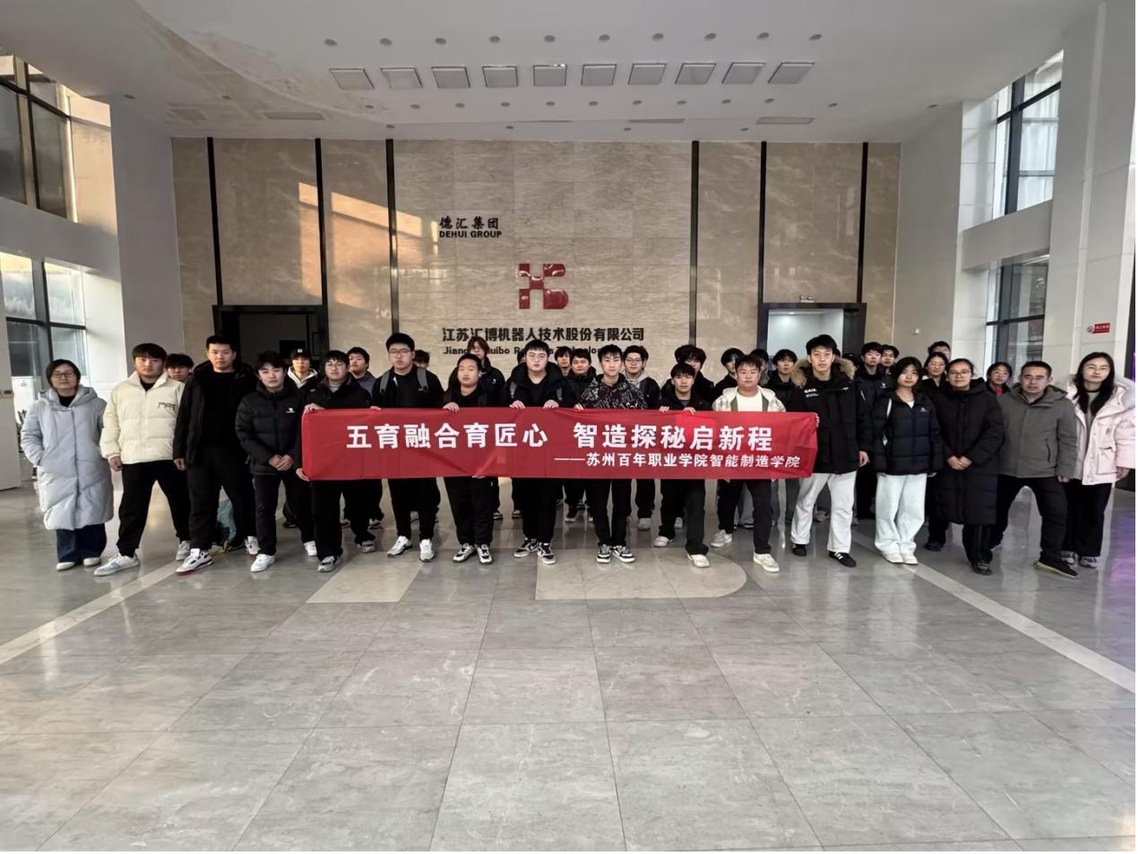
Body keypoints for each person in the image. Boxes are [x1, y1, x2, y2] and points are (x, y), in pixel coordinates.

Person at [96, 343, 191, 576]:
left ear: (163, 364)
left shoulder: (177, 389)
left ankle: (187, 541)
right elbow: (111, 423)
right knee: (131, 507)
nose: (148, 364)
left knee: (182, 501)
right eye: (143, 360)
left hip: (170, 457)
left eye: (154, 360)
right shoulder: (121, 391)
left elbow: (188, 424)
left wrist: (183, 452)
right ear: (135, 362)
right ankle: (127, 552)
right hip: (134, 457)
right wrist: (112, 452)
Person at [173, 336, 258, 575]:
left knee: (243, 497)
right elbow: (184, 416)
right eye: (215, 352)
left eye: (225, 352)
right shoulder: (197, 379)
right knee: (200, 501)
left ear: (234, 354)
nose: (220, 357)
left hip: (234, 449)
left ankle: (251, 536)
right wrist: (179, 449)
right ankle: (199, 549)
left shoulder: (246, 378)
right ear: (208, 353)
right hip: (200, 450)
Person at [787, 335, 872, 568]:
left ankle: (839, 549)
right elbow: (793, 423)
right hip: (816, 455)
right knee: (806, 500)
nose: (822, 359)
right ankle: (799, 540)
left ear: (834, 357)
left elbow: (863, 418)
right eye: (817, 355)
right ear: (809, 358)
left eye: (827, 354)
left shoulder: (850, 385)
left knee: (844, 505)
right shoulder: (802, 388)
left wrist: (863, 447)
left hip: (846, 454)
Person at [21, 359, 113, 571]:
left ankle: (92, 551)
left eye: (68, 373)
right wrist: (40, 458)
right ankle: (67, 553)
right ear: (50, 379)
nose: (63, 377)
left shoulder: (96, 404)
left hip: (90, 465)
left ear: (77, 377)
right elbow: (29, 435)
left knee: (92, 506)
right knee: (60, 508)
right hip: (55, 468)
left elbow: (109, 430)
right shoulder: (39, 407)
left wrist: (103, 452)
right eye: (57, 374)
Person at [991, 360, 1079, 578]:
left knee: (1056, 513)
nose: (1033, 382)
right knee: (996, 509)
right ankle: (988, 543)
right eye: (1028, 377)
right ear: (1020, 378)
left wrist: (1066, 468)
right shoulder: (1004, 401)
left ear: (1049, 380)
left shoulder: (1062, 405)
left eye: (1039, 378)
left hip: (1045, 469)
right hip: (1006, 466)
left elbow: (1068, 439)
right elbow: (993, 433)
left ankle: (1050, 557)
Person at [235, 351, 316, 573]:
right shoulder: (249, 401)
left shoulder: (298, 398)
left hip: (294, 463)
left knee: (301, 503)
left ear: (284, 372)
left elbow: (305, 430)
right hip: (264, 465)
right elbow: (243, 433)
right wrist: (268, 457)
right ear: (258, 375)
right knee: (264, 508)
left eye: (276, 370)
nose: (272, 375)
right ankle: (266, 551)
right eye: (265, 371)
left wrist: (292, 456)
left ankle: (310, 539)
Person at [296, 350, 376, 570]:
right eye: (329, 364)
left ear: (347, 367)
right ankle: (328, 552)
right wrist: (300, 462)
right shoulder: (311, 394)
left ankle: (362, 534)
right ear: (323, 368)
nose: (334, 368)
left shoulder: (359, 393)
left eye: (339, 364)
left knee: (357, 502)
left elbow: (367, 424)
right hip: (323, 462)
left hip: (352, 458)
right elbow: (300, 431)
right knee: (323, 509)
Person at [927, 359, 1005, 574]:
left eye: (964, 372)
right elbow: (933, 430)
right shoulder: (938, 399)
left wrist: (971, 457)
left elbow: (995, 432)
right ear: (947, 375)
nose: (958, 376)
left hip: (980, 465)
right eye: (953, 372)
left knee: (978, 511)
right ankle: (936, 537)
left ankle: (978, 555)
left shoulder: (987, 399)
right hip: (947, 462)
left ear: (972, 374)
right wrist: (949, 456)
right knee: (941, 502)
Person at [708, 354, 784, 573]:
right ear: (735, 375)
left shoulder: (771, 400)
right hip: (732, 460)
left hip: (760, 462)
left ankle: (762, 551)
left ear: (760, 374)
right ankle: (725, 530)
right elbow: (714, 430)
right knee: (727, 499)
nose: (748, 376)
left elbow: (784, 428)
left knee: (763, 506)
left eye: (753, 372)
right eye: (743, 372)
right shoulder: (724, 400)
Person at [373, 332, 445, 561]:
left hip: (423, 447)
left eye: (404, 351)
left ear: (412, 354)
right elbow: (373, 416)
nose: (399, 356)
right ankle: (403, 535)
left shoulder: (428, 380)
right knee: (398, 494)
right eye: (394, 352)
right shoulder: (382, 383)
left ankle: (426, 537)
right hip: (394, 449)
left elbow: (440, 412)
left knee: (425, 493)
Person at [1062, 352, 1135, 568]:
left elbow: (1127, 433)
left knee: (1094, 510)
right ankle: (1066, 547)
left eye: (1103, 368)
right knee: (1067, 507)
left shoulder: (1121, 398)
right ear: (1082, 369)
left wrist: (1124, 462)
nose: (1096, 372)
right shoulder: (1066, 393)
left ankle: (1088, 551)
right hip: (1070, 460)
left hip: (1103, 461)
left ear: (1110, 372)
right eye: (1091, 366)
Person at [507, 339, 575, 565]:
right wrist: (510, 408)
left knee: (547, 498)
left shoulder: (561, 384)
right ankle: (530, 538)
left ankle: (545, 541)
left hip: (551, 452)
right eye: (532, 355)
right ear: (524, 358)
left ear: (548, 358)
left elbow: (573, 412)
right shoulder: (513, 383)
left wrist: (560, 407)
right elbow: (497, 413)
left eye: (541, 355)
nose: (536, 360)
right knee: (524, 497)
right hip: (521, 452)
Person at [577, 344, 646, 564]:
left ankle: (619, 542)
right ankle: (604, 542)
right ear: (600, 364)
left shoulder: (633, 392)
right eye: (607, 360)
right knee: (598, 503)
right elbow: (577, 425)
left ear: (622, 363)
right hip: (597, 457)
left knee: (622, 502)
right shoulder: (589, 392)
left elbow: (645, 422)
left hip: (622, 457)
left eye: (616, 359)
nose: (612, 364)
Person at [870, 357, 943, 564]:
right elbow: (876, 434)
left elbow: (934, 433)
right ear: (896, 375)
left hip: (919, 465)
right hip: (892, 465)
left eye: (914, 373)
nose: (909, 377)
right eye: (905, 372)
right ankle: (887, 545)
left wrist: (934, 462)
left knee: (913, 508)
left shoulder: (924, 401)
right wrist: (879, 462)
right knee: (887, 508)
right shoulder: (886, 400)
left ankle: (906, 544)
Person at [442, 354, 500, 565]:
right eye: (461, 368)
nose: (465, 373)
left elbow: (500, 430)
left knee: (482, 505)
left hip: (482, 462)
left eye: (471, 368)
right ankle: (466, 542)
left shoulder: (490, 398)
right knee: (460, 504)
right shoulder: (446, 397)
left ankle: (483, 543)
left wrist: (491, 463)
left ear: (480, 373)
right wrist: (442, 412)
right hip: (454, 463)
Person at [654, 362, 712, 567]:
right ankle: (666, 531)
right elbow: (652, 432)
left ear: (694, 380)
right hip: (671, 461)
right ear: (672, 381)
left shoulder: (703, 405)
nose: (683, 381)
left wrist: (697, 417)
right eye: (679, 377)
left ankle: (695, 547)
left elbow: (713, 432)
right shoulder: (662, 404)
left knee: (696, 503)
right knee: (669, 499)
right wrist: (661, 417)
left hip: (695, 463)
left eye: (688, 377)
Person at [623, 344, 660, 530]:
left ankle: (645, 512)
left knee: (645, 476)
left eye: (637, 360)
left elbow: (655, 411)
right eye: (629, 360)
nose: (633, 363)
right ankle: (624, 511)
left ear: (643, 362)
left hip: (644, 436)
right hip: (620, 436)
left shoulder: (651, 384)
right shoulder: (616, 381)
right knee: (622, 477)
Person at [346, 346, 384, 529]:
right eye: (351, 358)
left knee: (371, 478)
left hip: (370, 438)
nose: (354, 361)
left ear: (367, 364)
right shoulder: (341, 383)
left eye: (359, 358)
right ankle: (349, 513)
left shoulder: (376, 384)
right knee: (348, 477)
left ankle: (374, 512)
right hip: (348, 437)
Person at [855, 341, 893, 520]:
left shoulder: (887, 380)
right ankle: (861, 508)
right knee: (863, 471)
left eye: (877, 354)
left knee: (878, 469)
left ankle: (873, 506)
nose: (873, 357)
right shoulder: (855, 379)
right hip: (862, 428)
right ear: (863, 357)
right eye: (869, 354)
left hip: (882, 429)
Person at [764, 348, 800, 526]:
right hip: (773, 437)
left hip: (795, 436)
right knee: (772, 479)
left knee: (793, 478)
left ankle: (792, 515)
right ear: (775, 363)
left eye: (790, 360)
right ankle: (772, 515)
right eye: (782, 360)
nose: (786, 364)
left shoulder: (801, 385)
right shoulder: (767, 387)